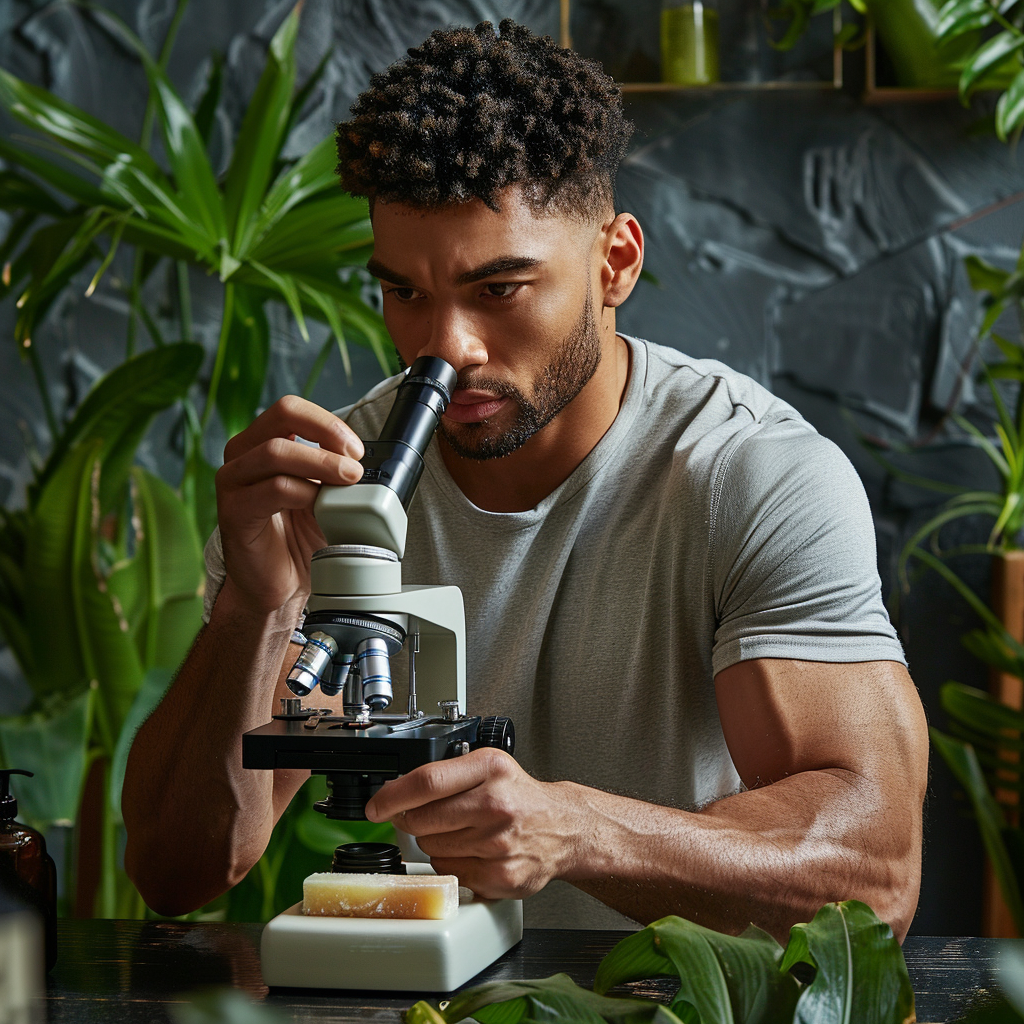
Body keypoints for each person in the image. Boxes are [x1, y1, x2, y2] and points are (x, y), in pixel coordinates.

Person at [122, 19, 928, 939]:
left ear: (614, 262)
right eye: (406, 293)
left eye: (498, 290)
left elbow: (874, 880)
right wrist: (253, 611)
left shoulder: (754, 475)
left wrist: (576, 832)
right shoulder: (341, 485)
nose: (446, 348)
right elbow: (176, 871)